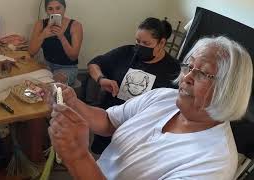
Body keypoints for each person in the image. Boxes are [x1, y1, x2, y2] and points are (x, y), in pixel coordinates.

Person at [48, 36, 253, 180]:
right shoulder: (163, 97)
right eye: (189, 67)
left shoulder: (213, 165)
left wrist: (77, 156)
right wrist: (74, 102)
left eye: (203, 73)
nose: (187, 77)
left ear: (228, 90)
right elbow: (109, 121)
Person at [88, 17, 181, 153]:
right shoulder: (126, 53)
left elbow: (175, 108)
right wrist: (101, 79)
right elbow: (94, 64)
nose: (140, 46)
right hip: (109, 122)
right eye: (137, 41)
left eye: (146, 43)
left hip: (139, 134)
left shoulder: (174, 70)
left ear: (161, 43)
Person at [29, 0, 83, 85]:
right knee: (29, 81)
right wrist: (43, 34)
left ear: (64, 9)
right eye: (50, 9)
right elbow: (31, 52)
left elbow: (73, 56)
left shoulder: (75, 25)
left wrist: (62, 37)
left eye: (58, 8)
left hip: (67, 68)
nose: (54, 12)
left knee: (54, 84)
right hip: (46, 65)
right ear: (46, 10)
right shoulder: (40, 24)